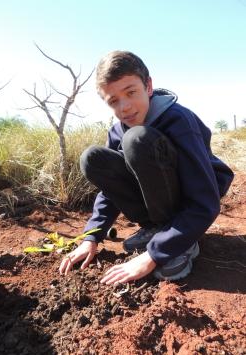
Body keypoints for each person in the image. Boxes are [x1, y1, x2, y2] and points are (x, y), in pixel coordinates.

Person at [59, 50, 234, 285]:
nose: (125, 107)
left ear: (148, 86)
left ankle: (180, 242)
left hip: (193, 198)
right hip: (160, 201)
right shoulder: (117, 130)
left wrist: (153, 255)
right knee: (93, 158)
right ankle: (156, 228)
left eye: (131, 92)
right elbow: (110, 190)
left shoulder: (177, 119)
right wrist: (92, 236)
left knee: (137, 139)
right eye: (113, 100)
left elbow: (205, 201)